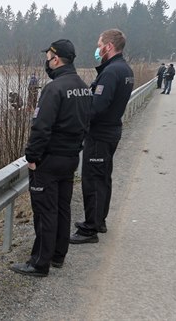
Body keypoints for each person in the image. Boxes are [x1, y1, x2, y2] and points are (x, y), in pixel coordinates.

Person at [10, 39, 92, 277]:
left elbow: (41, 128)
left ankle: (39, 263)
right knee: (62, 208)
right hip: (70, 159)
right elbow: (87, 124)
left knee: (45, 211)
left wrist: (32, 157)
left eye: (47, 58)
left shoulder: (53, 89)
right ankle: (58, 254)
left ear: (56, 59)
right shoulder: (83, 87)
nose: (46, 62)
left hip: (49, 161)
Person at [71, 29, 134, 244]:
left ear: (108, 46)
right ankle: (99, 220)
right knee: (104, 177)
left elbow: (96, 108)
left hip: (100, 134)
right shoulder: (125, 69)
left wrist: (77, 121)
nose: (97, 50)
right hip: (112, 131)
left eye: (99, 45)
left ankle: (90, 229)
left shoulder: (110, 72)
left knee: (93, 180)